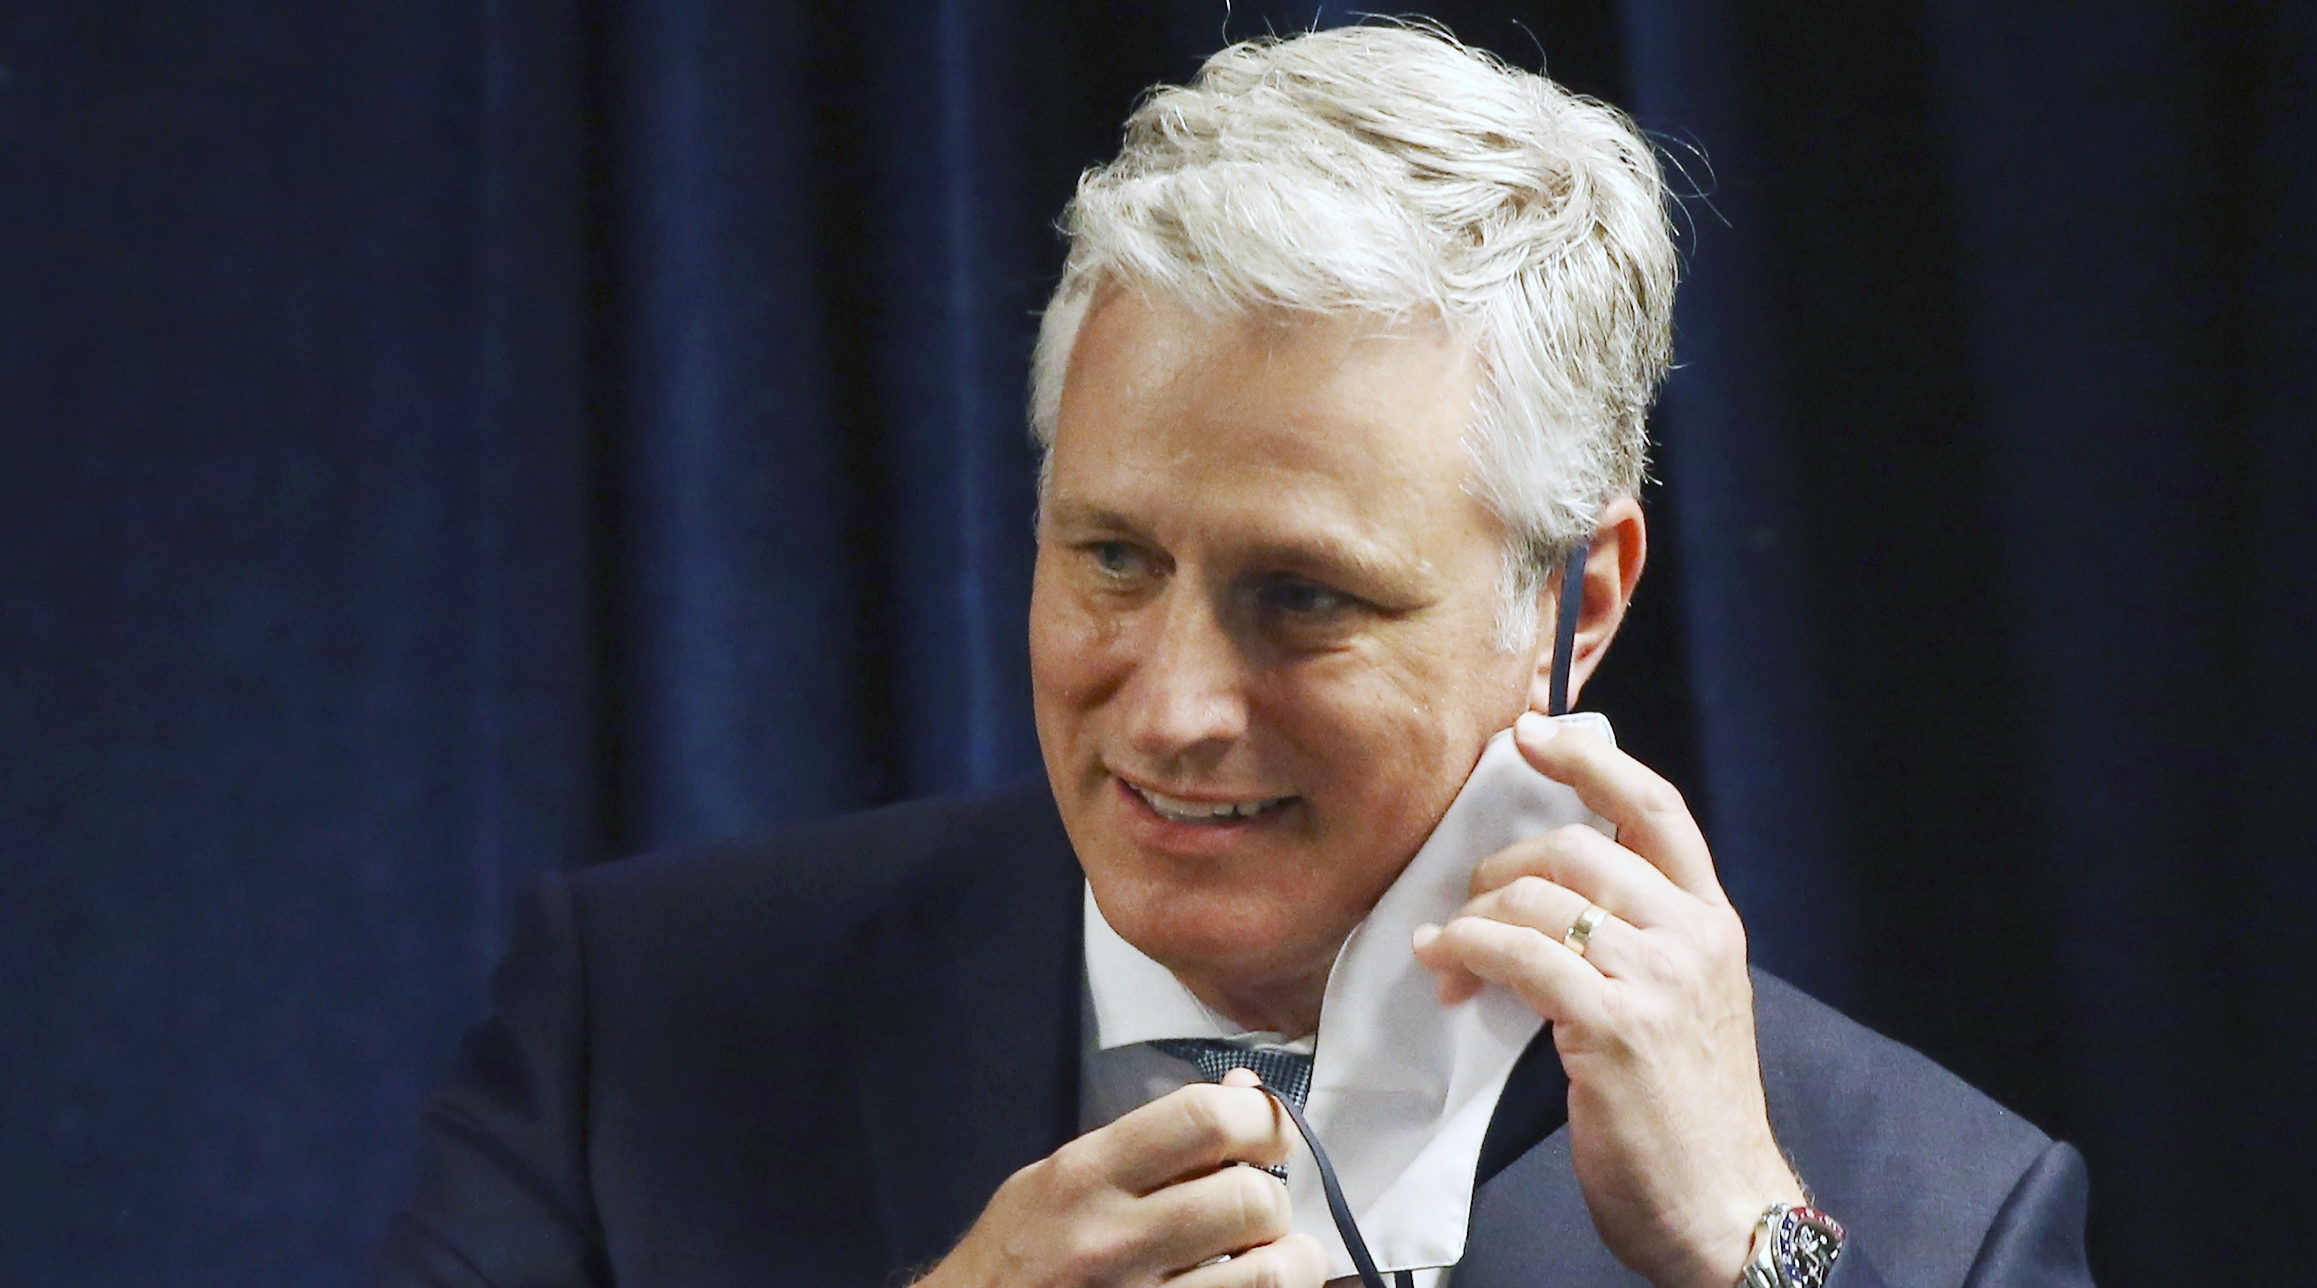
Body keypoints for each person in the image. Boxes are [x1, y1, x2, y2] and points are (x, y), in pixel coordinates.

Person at [379, 24, 2091, 1288]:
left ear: (1574, 602)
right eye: (1113, 557)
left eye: (1306, 599)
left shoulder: (1930, 1209)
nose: (1178, 709)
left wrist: (1762, 1262)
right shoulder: (645, 1021)